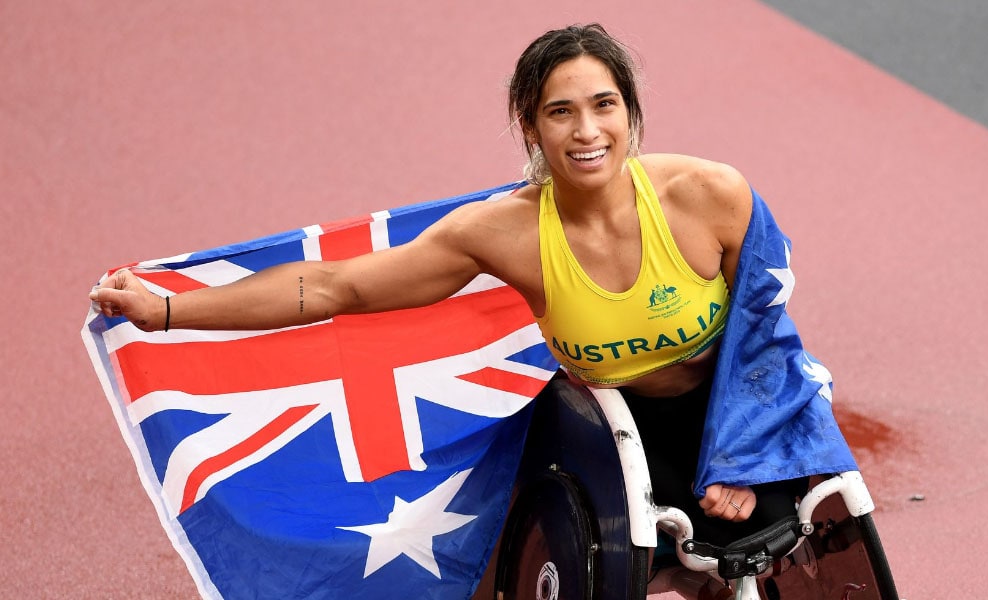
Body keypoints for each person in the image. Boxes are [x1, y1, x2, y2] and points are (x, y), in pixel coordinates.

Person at [90, 23, 809, 547]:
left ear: (630, 112)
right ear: (529, 126)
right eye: (561, 111)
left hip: (744, 412)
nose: (587, 130)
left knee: (765, 533)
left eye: (604, 105)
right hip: (621, 439)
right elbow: (339, 287)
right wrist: (169, 311)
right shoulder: (505, 234)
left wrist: (740, 455)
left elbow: (768, 333)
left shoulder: (711, 193)